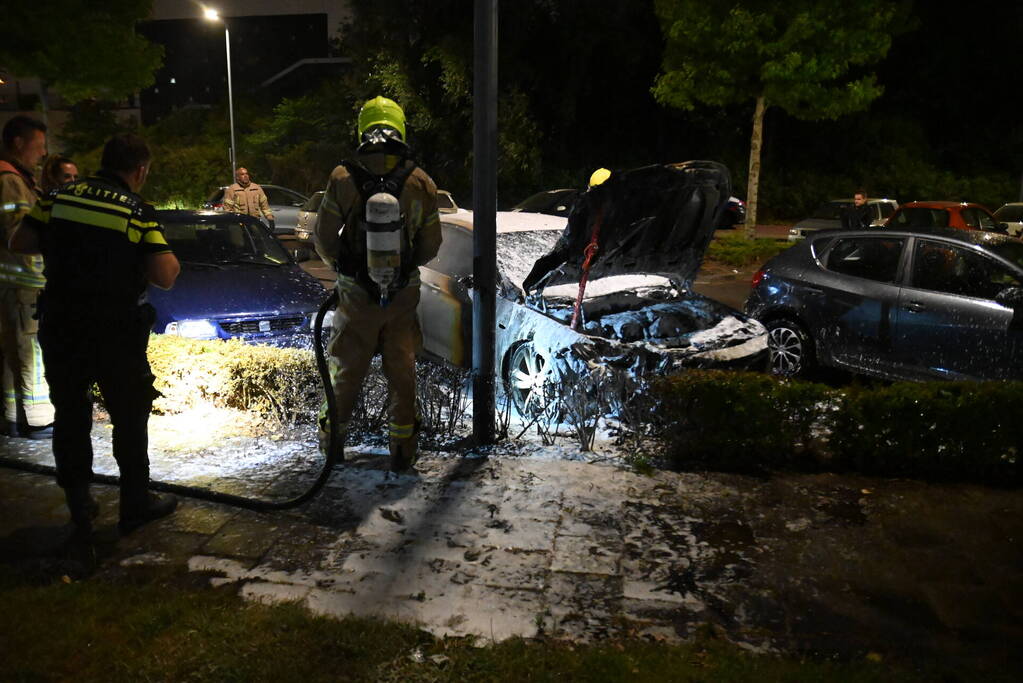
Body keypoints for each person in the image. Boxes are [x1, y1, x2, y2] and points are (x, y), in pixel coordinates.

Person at [10, 133, 181, 538]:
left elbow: (21, 241)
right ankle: (135, 504)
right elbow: (166, 275)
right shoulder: (136, 210)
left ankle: (80, 506)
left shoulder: (57, 198)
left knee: (69, 415)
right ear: (139, 170)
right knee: (128, 416)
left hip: (61, 325)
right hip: (114, 330)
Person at [313, 96, 441, 472]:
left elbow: (323, 238)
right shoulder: (421, 181)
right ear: (400, 127)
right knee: (402, 374)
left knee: (346, 371)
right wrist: (403, 271)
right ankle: (402, 450)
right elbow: (431, 246)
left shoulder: (341, 177)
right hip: (402, 297)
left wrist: (346, 270)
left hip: (355, 295)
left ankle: (332, 443)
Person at [0, 115, 55, 439]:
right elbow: (17, 233)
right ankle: (37, 420)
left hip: (15, 283)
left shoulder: (15, 178)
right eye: (39, 145)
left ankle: (12, 417)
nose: (43, 152)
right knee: (29, 352)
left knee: (12, 352)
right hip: (22, 282)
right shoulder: (10, 180)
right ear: (19, 143)